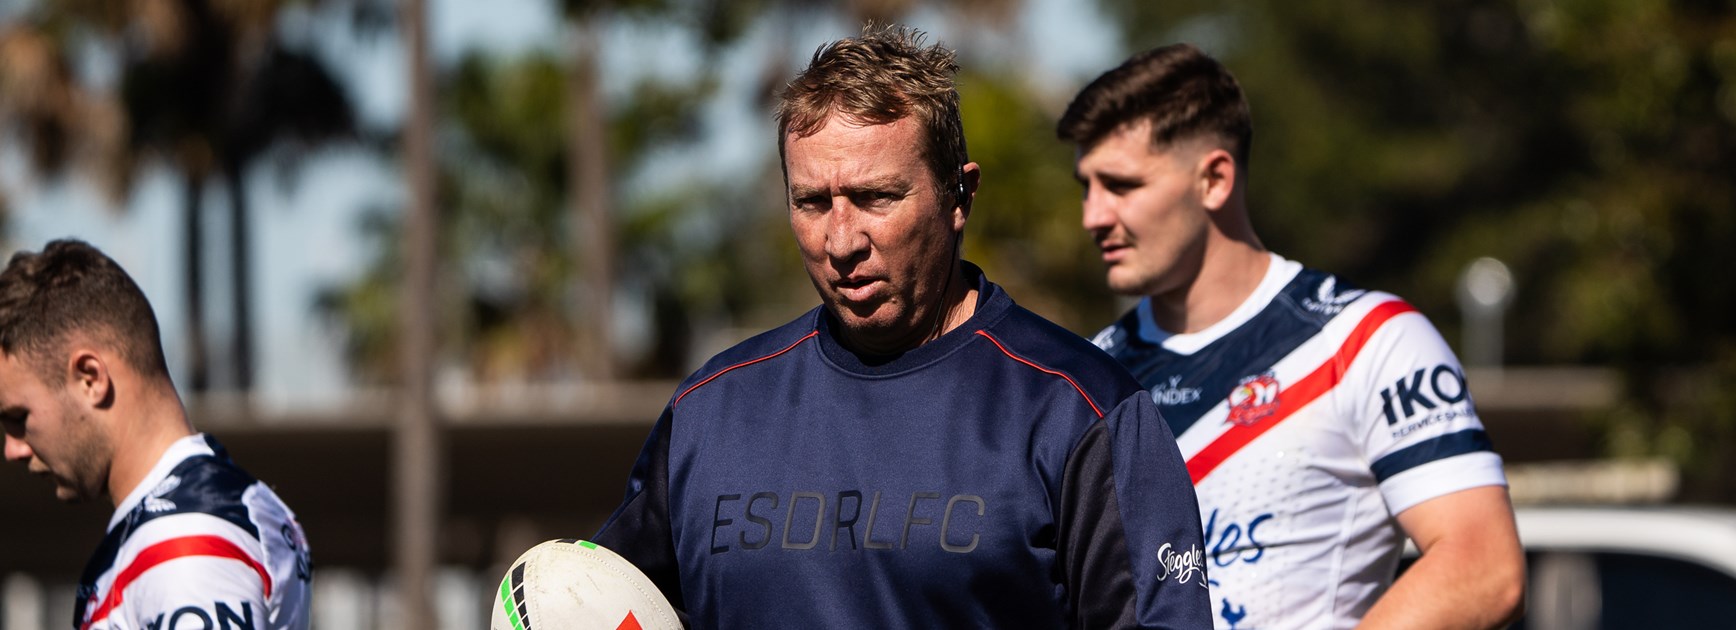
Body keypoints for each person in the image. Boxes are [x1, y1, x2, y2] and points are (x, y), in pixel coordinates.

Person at [593, 26, 1212, 628]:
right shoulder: (709, 413)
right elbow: (588, 600)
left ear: (959, 196)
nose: (841, 241)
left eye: (876, 197)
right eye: (812, 202)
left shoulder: (1079, 411)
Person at [1057, 44, 1526, 629]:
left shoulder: (1368, 339)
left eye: (1121, 185)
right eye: (1086, 186)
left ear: (1214, 180)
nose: (1093, 216)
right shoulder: (1090, 368)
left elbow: (1483, 568)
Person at [0, 239, 312, 630]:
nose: (12, 448)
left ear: (90, 378)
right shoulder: (218, 504)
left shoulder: (186, 545)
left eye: (18, 417)